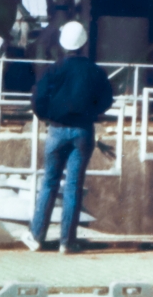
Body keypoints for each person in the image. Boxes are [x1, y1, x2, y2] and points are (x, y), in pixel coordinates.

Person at [22, 20, 114, 254]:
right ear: (84, 43)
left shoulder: (53, 69)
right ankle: (67, 241)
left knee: (49, 183)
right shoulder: (95, 71)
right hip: (83, 131)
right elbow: (106, 100)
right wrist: (91, 112)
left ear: (62, 44)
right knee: (73, 186)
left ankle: (36, 236)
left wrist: (47, 116)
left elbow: (38, 99)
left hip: (56, 129)